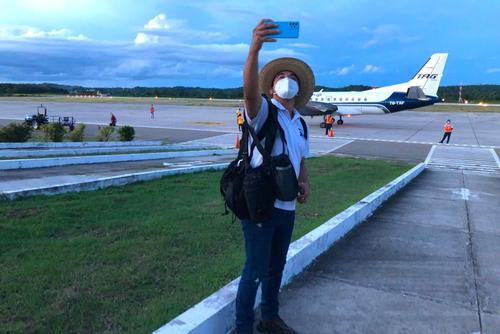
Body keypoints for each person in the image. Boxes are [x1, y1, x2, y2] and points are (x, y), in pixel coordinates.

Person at [234, 19, 313, 334]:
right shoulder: (263, 110)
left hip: (287, 207)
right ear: (270, 87)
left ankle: (269, 318)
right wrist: (254, 47)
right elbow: (249, 92)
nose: (287, 79)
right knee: (254, 269)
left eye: (292, 77)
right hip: (262, 205)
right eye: (281, 76)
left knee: (276, 268)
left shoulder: (300, 122)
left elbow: (301, 157)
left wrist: (304, 181)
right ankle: (243, 328)